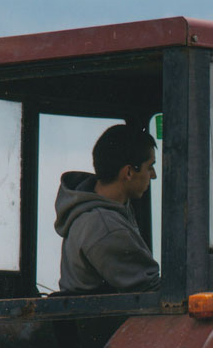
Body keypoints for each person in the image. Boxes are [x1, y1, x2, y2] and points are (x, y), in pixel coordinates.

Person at [54, 125, 160, 293]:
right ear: (129, 172)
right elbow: (148, 289)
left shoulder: (101, 212)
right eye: (150, 167)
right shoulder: (104, 225)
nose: (153, 175)